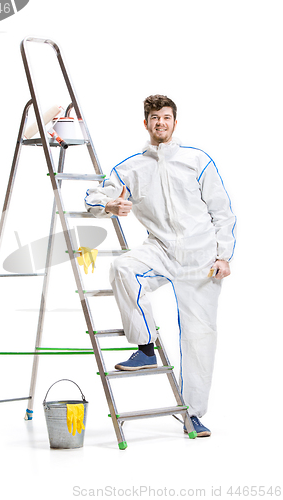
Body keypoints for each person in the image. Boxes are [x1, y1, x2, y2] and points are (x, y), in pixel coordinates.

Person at [84, 95, 236, 437]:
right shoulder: (132, 168)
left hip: (202, 261)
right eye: (155, 118)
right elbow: (93, 195)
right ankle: (145, 347)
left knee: (200, 339)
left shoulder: (197, 161)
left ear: (174, 122)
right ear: (146, 123)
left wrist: (224, 255)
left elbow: (222, 211)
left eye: (166, 117)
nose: (160, 123)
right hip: (162, 251)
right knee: (123, 268)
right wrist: (109, 204)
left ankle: (192, 415)